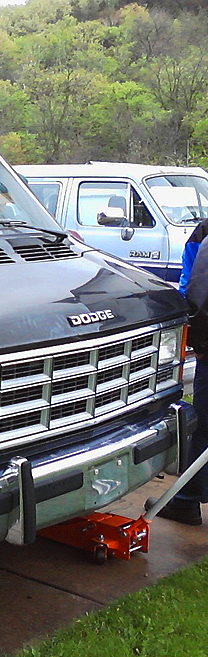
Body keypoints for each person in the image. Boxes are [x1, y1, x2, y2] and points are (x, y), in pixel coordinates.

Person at [148, 219, 208, 524]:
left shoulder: (204, 233)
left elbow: (195, 291)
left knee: (205, 424)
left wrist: (199, 341)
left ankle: (185, 501)